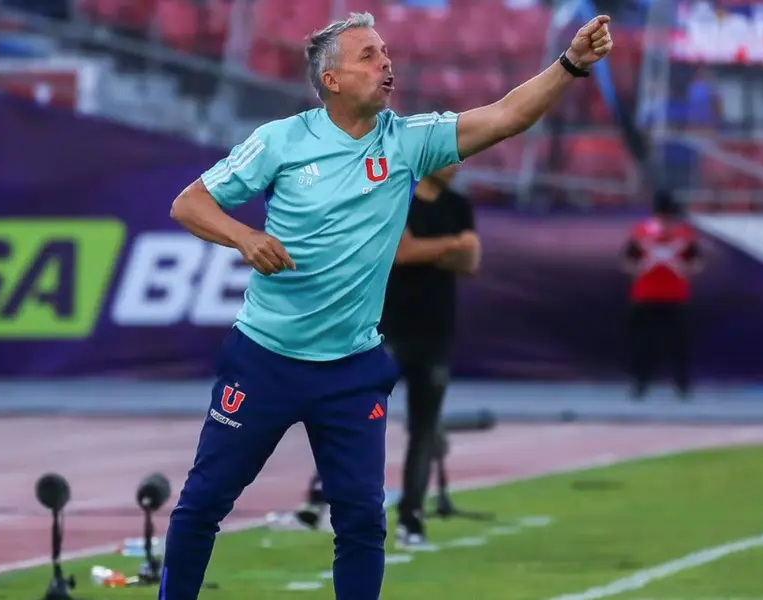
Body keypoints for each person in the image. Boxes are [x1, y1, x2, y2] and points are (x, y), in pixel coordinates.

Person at [160, 11, 614, 600]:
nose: (386, 63)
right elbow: (188, 204)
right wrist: (244, 237)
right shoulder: (280, 141)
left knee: (362, 522)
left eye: (385, 51)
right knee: (201, 505)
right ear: (333, 80)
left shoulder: (406, 141)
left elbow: (506, 116)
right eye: (369, 55)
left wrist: (571, 64)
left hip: (351, 370)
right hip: (265, 360)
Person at [382, 163, 479, 547]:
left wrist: (436, 250)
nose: (458, 164)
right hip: (389, 328)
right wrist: (452, 246)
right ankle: (339, 501)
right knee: (359, 420)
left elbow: (472, 261)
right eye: (451, 157)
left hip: (436, 331)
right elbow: (401, 252)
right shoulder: (397, 197)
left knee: (424, 430)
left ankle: (412, 517)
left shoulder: (459, 205)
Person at [622, 192, 701, 400]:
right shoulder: (641, 233)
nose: (667, 221)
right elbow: (627, 260)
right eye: (664, 216)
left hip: (675, 297)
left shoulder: (684, 234)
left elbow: (696, 261)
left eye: (670, 216)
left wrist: (685, 269)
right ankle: (640, 383)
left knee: (678, 344)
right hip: (646, 297)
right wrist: (639, 268)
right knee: (644, 343)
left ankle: (682, 385)